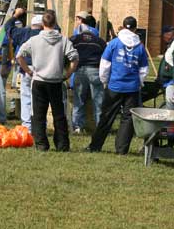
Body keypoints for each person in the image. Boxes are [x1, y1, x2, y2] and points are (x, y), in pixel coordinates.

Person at [16, 11, 78, 151]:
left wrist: (29, 71)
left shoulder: (34, 40)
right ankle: (62, 145)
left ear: (42, 24)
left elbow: (19, 55)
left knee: (38, 114)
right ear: (55, 23)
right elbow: (74, 58)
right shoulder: (63, 40)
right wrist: (67, 74)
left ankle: (41, 144)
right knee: (59, 115)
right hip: (56, 81)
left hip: (39, 80)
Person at [86, 16, 149, 155]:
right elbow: (143, 70)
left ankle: (95, 146)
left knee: (106, 117)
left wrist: (105, 81)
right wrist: (139, 83)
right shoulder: (140, 47)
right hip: (132, 88)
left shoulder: (114, 43)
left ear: (123, 25)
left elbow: (105, 65)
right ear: (135, 28)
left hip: (114, 86)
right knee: (127, 119)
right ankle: (121, 149)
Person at [70, 12, 107, 134]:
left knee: (78, 100)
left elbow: (68, 54)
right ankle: (100, 127)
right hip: (95, 71)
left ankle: (77, 127)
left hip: (80, 70)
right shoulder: (100, 41)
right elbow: (106, 58)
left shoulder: (75, 39)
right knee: (98, 101)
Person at [6, 8, 42, 131]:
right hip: (42, 71)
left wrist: (16, 15)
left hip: (26, 69)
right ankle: (38, 125)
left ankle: (27, 126)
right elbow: (57, 29)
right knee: (39, 99)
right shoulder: (46, 35)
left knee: (26, 97)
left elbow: (8, 27)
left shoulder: (23, 33)